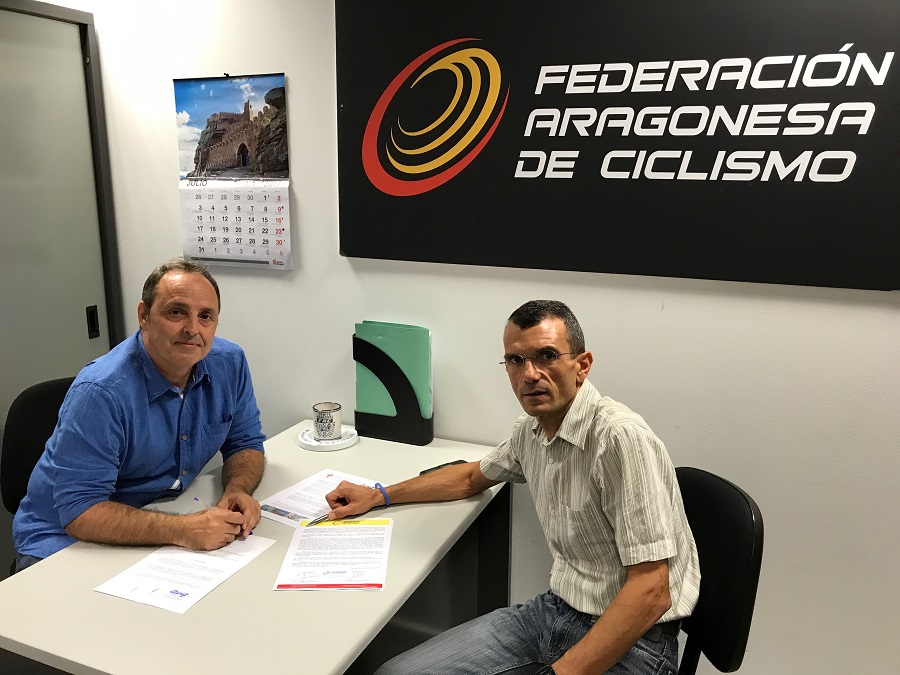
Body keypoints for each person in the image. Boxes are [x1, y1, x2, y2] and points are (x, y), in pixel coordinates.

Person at [325, 300, 700, 675]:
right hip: (556, 612)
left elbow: (651, 590)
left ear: (582, 365)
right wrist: (378, 495)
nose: (530, 374)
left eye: (547, 356)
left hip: (634, 641)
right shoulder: (531, 430)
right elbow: (470, 477)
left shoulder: (619, 439)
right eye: (516, 360)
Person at [12, 258, 266, 573]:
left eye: (205, 316)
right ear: (144, 315)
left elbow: (245, 442)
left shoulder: (230, 363)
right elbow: (80, 512)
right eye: (176, 312)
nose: (192, 329)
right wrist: (184, 529)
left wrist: (237, 490)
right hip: (65, 543)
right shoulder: (100, 393)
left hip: (155, 520)